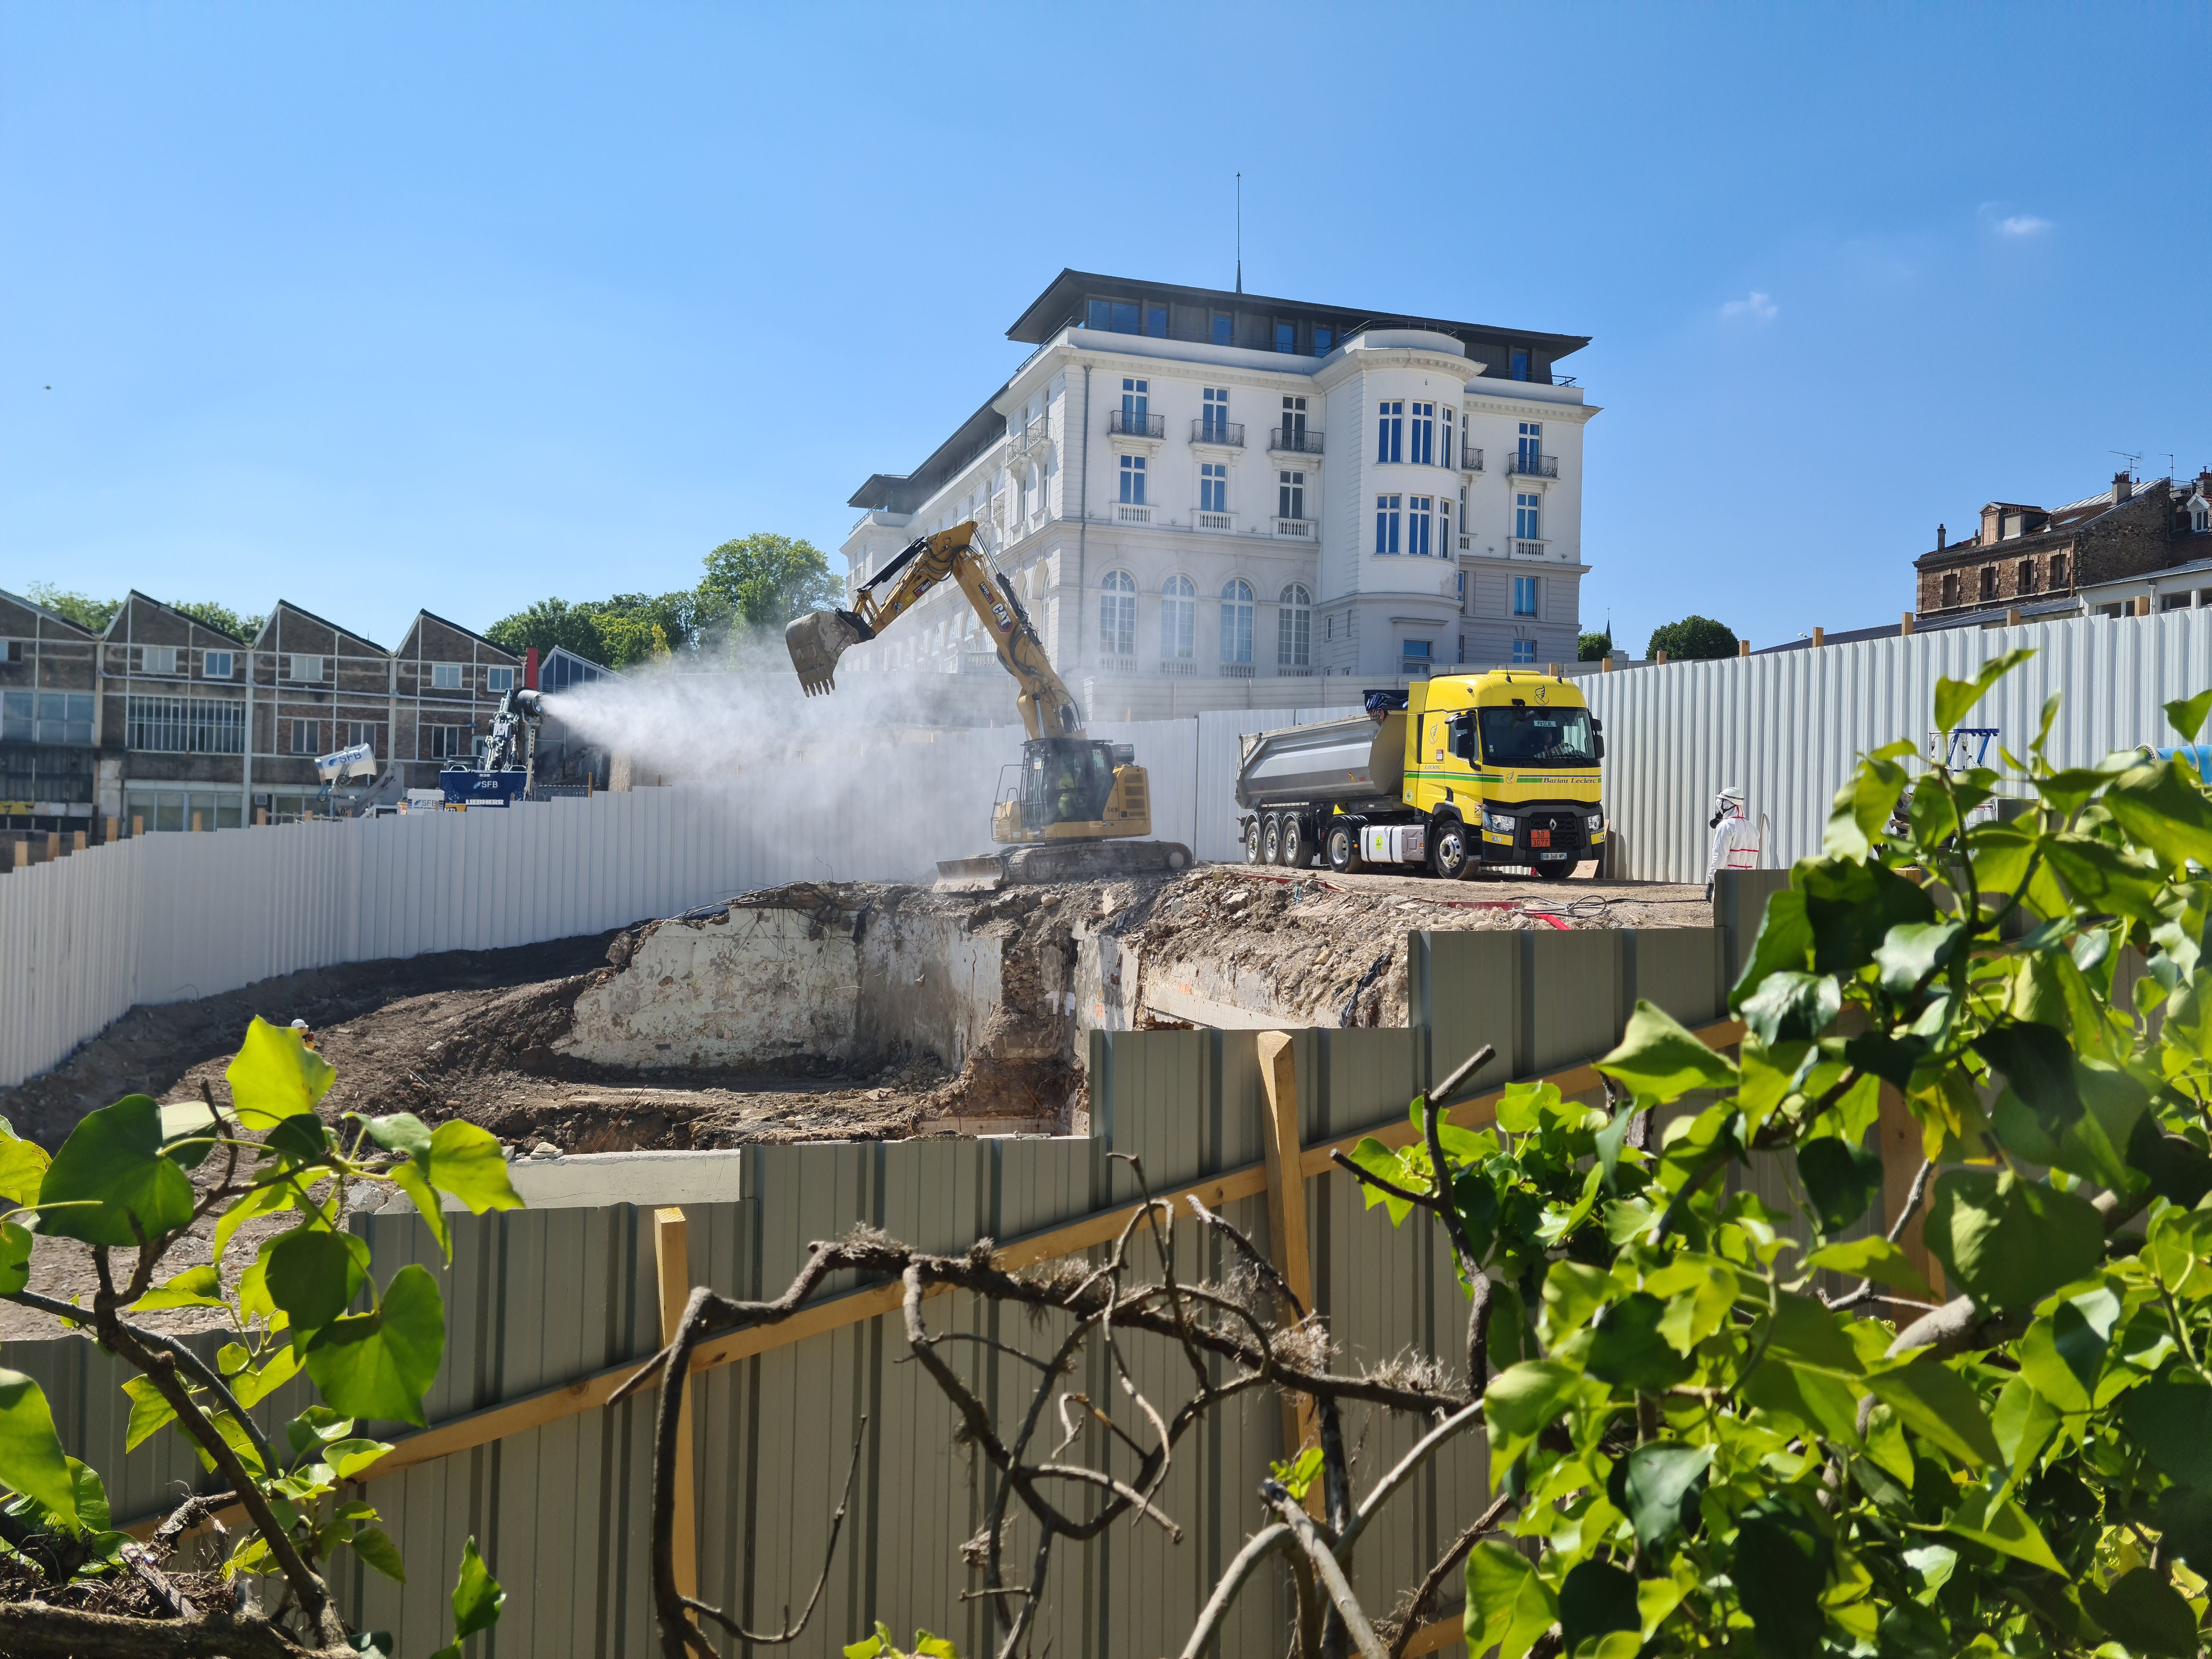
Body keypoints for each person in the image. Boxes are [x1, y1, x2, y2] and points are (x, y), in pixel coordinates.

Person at [1705, 784, 1757, 900]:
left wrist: (1711, 881)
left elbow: (1720, 856)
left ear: (1727, 803)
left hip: (1728, 880)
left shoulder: (1726, 826)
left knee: (1724, 915)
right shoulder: (1752, 827)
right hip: (1747, 880)